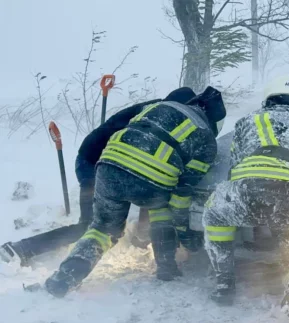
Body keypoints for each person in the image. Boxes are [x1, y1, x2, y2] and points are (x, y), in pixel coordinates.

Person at [43, 86, 226, 297]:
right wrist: (185, 234)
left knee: (102, 229)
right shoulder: (206, 139)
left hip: (108, 167)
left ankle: (66, 277)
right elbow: (181, 194)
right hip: (150, 181)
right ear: (215, 122)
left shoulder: (158, 106)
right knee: (161, 209)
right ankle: (167, 268)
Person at [203, 75, 289, 323]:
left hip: (253, 186)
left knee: (216, 214)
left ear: (267, 100)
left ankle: (225, 281)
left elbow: (235, 166)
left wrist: (246, 202)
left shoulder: (249, 121)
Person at [0, 88, 197, 266]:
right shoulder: (159, 116)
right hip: (94, 164)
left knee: (149, 185)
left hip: (115, 164)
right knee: (90, 226)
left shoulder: (159, 112)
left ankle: (140, 238)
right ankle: (21, 248)